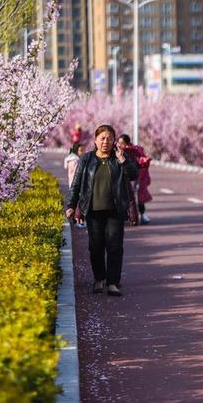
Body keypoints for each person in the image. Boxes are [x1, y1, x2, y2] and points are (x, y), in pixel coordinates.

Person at [66, 125, 139, 296]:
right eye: (102, 138)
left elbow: (134, 174)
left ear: (114, 141)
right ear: (96, 140)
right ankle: (99, 278)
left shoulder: (119, 158)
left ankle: (113, 282)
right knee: (96, 246)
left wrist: (123, 160)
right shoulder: (86, 159)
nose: (105, 141)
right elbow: (76, 184)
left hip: (115, 210)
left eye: (109, 138)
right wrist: (71, 205)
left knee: (115, 246)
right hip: (93, 211)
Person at [117, 134, 153, 224]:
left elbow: (142, 160)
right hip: (121, 177)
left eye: (122, 143)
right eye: (118, 142)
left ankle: (142, 215)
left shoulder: (134, 151)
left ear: (127, 144)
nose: (119, 145)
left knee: (137, 196)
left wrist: (143, 161)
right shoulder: (116, 151)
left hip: (134, 177)